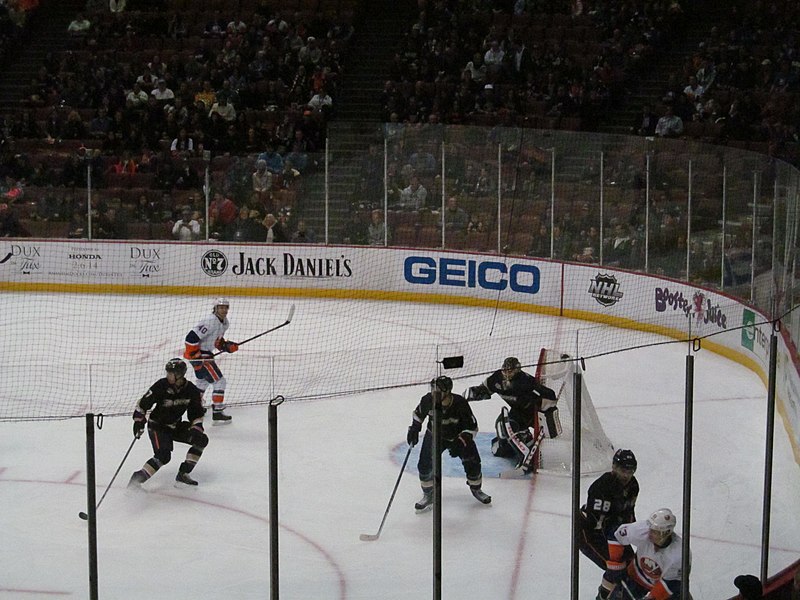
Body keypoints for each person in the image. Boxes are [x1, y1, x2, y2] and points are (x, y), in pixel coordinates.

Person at [406, 376, 491, 511]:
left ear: (448, 392)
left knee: (472, 461)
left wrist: (461, 441)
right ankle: (428, 494)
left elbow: (472, 427)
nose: (435, 393)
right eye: (433, 389)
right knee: (425, 464)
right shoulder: (428, 400)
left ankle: (476, 489)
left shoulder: (460, 403)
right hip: (434, 435)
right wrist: (414, 428)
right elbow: (418, 415)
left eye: (438, 390)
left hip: (458, 437)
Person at [466, 356, 559, 473]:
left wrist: (545, 410)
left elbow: (550, 395)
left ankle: (526, 453)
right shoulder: (497, 378)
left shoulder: (525, 381)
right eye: (505, 371)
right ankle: (524, 440)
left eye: (511, 371)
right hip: (517, 412)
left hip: (533, 416)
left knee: (505, 424)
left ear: (517, 370)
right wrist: (471, 394)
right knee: (503, 440)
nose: (507, 374)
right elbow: (484, 389)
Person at [127, 358, 209, 488]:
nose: (168, 376)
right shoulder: (161, 386)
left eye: (171, 373)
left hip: (175, 425)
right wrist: (138, 421)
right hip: (157, 426)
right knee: (163, 456)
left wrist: (196, 428)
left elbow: (197, 413)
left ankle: (183, 474)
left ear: (180, 375)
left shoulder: (191, 390)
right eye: (168, 373)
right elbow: (143, 404)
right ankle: (136, 480)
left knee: (201, 440)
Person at [581, 449, 640, 600]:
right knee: (618, 568)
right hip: (589, 534)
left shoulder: (633, 485)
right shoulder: (602, 487)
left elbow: (629, 514)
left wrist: (635, 536)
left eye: (631, 470)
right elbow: (596, 525)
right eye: (623, 470)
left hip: (614, 532)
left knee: (634, 567)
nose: (626, 475)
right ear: (614, 467)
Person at [605, 508, 689, 600]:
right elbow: (616, 536)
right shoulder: (642, 530)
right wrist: (616, 565)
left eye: (656, 532)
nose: (650, 534)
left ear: (667, 532)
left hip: (662, 584)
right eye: (651, 529)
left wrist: (652, 597)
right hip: (635, 576)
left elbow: (673, 582)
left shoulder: (679, 554)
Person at [183, 298, 239, 424]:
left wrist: (226, 346)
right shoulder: (210, 321)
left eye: (226, 307)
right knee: (220, 382)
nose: (224, 310)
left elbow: (217, 342)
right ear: (215, 309)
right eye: (221, 307)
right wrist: (195, 356)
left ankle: (195, 407)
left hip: (205, 355)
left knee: (202, 382)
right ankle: (217, 411)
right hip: (202, 356)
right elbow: (191, 338)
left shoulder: (225, 323)